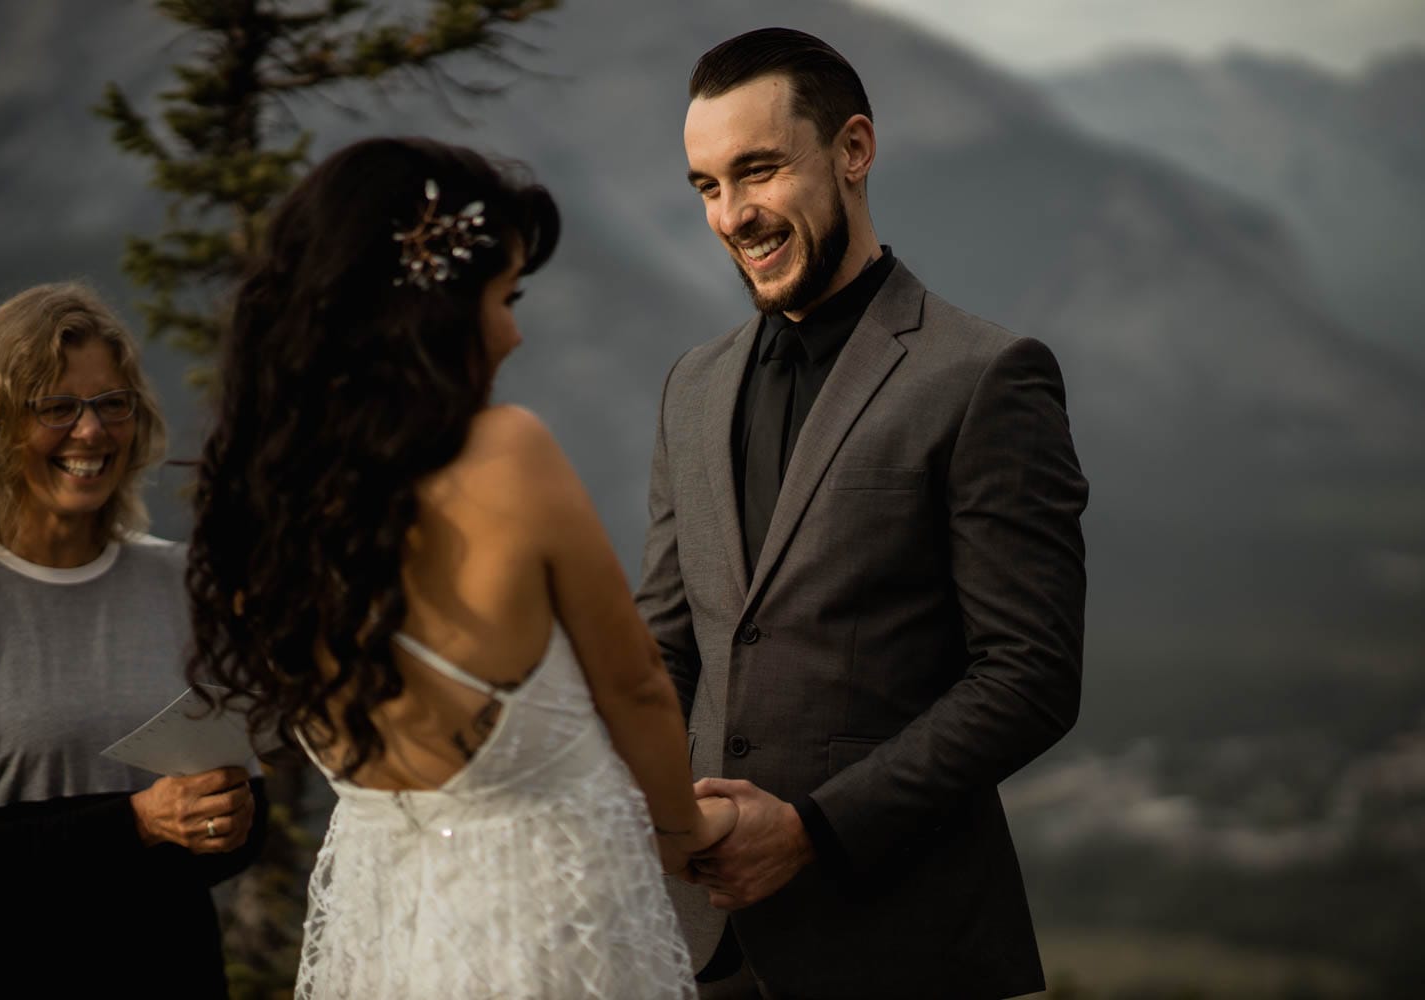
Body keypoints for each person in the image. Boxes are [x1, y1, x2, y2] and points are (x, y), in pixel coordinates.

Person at [185, 136, 736, 998]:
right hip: (551, 930)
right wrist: (683, 828)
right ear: (430, 308)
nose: (515, 332)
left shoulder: (265, 509)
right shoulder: (509, 454)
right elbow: (633, 686)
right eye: (504, 296)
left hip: (388, 935)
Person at [636, 27, 1090, 999]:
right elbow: (667, 647)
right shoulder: (691, 386)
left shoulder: (984, 376)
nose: (732, 214)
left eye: (757, 171)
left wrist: (810, 831)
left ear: (852, 151)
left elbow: (1032, 676)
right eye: (707, 186)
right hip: (702, 951)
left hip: (905, 949)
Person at [0, 283, 266, 996]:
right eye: (56, 408)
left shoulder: (180, 582)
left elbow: (244, 821)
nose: (91, 432)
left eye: (113, 404)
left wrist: (223, 818)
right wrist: (138, 824)